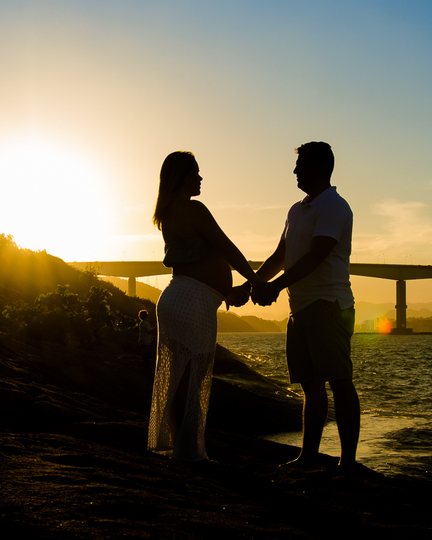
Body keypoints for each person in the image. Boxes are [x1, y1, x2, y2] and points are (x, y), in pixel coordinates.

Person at [252, 142, 360, 469]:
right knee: (310, 387)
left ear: (320, 168)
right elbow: (281, 256)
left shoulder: (335, 207)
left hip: (328, 305)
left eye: (301, 165)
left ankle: (348, 464)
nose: (295, 171)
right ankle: (308, 457)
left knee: (339, 381)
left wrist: (274, 287)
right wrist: (252, 285)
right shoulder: (296, 210)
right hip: (299, 309)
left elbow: (317, 254)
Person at [148, 151, 257, 462]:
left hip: (174, 297)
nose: (200, 179)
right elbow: (226, 248)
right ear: (184, 177)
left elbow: (198, 263)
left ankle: (175, 446)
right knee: (195, 380)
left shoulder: (167, 213)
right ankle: (190, 453)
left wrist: (228, 293)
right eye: (196, 173)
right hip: (194, 301)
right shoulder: (193, 209)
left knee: (174, 381)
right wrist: (255, 279)